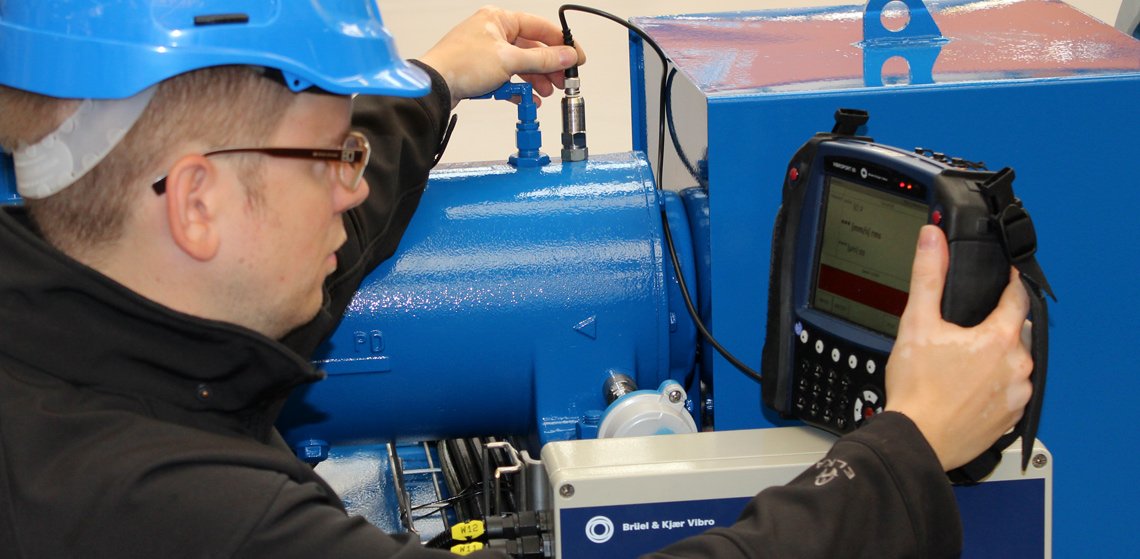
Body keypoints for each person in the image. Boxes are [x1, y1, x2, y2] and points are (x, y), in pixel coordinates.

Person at [0, 2, 1031, 558]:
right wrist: (907, 449)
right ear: (196, 204)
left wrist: (440, 81)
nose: (352, 193)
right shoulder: (161, 512)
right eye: (333, 158)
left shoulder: (83, 315)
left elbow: (311, 252)